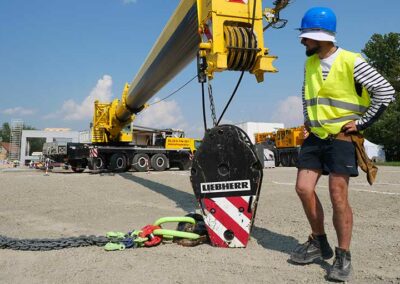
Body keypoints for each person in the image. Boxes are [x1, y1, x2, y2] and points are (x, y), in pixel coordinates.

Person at [290, 7, 396, 282]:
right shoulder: (310, 63)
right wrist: (307, 120)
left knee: (338, 196)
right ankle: (319, 243)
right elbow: (307, 95)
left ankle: (343, 255)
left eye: (307, 37)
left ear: (321, 37)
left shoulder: (352, 61)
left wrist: (361, 124)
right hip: (316, 136)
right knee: (303, 188)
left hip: (342, 137)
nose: (303, 41)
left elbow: (385, 91)